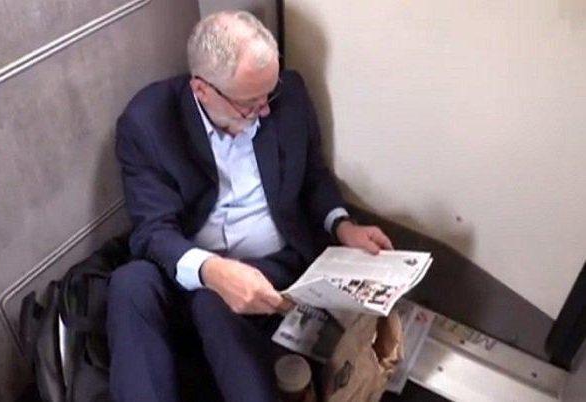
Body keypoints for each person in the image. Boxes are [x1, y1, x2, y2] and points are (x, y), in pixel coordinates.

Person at [107, 10, 393, 402]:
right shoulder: (148, 122)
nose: (265, 111)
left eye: (268, 95)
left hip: (273, 264)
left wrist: (342, 225)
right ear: (202, 91)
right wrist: (211, 269)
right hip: (189, 265)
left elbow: (312, 175)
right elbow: (152, 231)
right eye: (249, 103)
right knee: (129, 285)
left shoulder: (288, 94)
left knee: (213, 304)